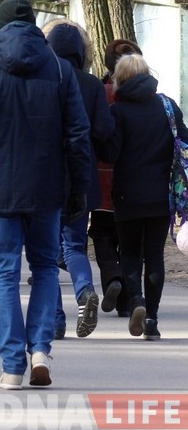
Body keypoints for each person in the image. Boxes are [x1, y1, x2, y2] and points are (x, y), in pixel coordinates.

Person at [0, 0, 91, 390]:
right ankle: (41, 350)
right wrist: (79, 189)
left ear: (0, 27)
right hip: (48, 188)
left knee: (6, 274)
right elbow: (78, 136)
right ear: (34, 25)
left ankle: (12, 365)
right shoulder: (62, 72)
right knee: (46, 267)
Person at [96, 54, 186, 340]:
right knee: (155, 256)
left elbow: (110, 154)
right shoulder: (167, 106)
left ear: (119, 79)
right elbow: (183, 141)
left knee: (131, 254)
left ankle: (136, 301)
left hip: (127, 194)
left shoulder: (118, 112)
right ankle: (152, 320)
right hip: (161, 195)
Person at [43, 20, 115, 339]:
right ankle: (85, 290)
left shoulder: (42, 79)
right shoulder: (91, 85)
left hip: (45, 175)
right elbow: (103, 130)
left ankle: (56, 320)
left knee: (46, 250)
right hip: (81, 174)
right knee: (74, 245)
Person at [91, 39, 143, 318]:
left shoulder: (101, 93)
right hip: (137, 181)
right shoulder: (150, 96)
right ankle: (127, 299)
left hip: (102, 179)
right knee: (131, 239)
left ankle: (113, 277)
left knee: (101, 233)